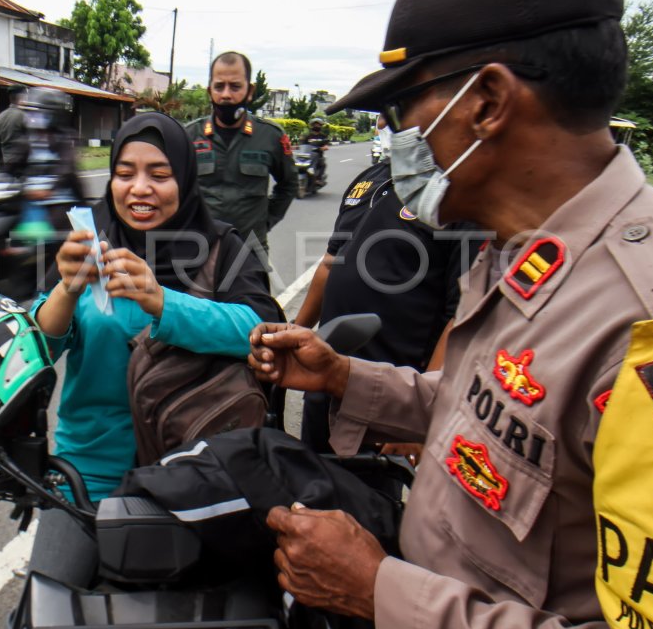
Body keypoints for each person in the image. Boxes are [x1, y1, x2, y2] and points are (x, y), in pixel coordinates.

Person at [248, 0, 653, 629]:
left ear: (485, 102)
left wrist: (380, 589)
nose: (401, 139)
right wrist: (349, 378)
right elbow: (491, 421)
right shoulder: (524, 250)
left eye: (404, 110)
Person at [29, 112, 283, 587]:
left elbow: (260, 327)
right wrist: (65, 289)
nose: (139, 188)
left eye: (159, 175)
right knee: (45, 608)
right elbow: (39, 344)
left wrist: (164, 301)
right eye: (124, 174)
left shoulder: (222, 247)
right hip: (89, 473)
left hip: (197, 470)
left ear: (185, 179)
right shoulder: (90, 244)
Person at [292, 152, 481, 453]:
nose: (386, 123)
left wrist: (419, 415)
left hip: (387, 391)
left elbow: (461, 314)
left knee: (367, 492)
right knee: (308, 480)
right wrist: (294, 332)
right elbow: (331, 263)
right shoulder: (370, 180)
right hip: (323, 373)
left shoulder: (455, 194)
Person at [184, 51, 297, 259]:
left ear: (250, 90)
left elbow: (289, 185)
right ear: (210, 91)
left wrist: (265, 222)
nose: (226, 94)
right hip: (199, 251)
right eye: (219, 86)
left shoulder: (270, 136)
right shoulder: (189, 136)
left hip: (250, 252)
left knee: (251, 294)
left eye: (235, 86)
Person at [0, 83, 26, 173]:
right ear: (22, 97)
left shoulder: (0, 117)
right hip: (22, 166)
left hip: (7, 164)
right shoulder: (23, 116)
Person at [304, 115, 330, 186]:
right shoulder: (308, 136)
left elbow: (326, 145)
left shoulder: (323, 136)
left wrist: (324, 147)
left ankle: (318, 179)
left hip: (318, 156)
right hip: (307, 155)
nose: (316, 126)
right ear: (312, 126)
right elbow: (302, 145)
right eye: (315, 124)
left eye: (318, 125)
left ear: (321, 126)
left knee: (323, 164)